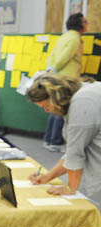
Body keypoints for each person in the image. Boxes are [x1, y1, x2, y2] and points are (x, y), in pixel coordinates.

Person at [26, 73, 101, 227]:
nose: (47, 111)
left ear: (54, 97)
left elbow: (76, 154)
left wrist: (71, 189)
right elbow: (72, 152)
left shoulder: (82, 106)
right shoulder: (79, 98)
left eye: (46, 106)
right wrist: (48, 176)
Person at [43, 13, 88, 152]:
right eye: (85, 21)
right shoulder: (75, 38)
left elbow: (53, 55)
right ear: (80, 24)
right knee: (61, 109)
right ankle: (56, 141)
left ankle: (48, 139)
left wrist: (50, 70)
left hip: (57, 76)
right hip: (67, 79)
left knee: (54, 108)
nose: (87, 24)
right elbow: (65, 56)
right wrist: (56, 68)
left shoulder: (64, 36)